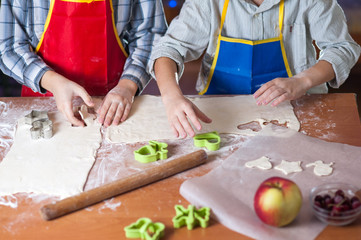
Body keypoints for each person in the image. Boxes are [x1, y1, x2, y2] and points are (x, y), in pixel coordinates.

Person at [149, 0, 361, 138]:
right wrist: (171, 97)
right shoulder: (207, 3)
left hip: (300, 109)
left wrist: (302, 80)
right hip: (221, 115)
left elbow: (342, 48)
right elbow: (169, 49)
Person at [0, 0, 167, 127]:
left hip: (113, 104)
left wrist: (127, 86)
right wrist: (53, 82)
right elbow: (8, 47)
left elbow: (150, 36)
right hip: (44, 105)